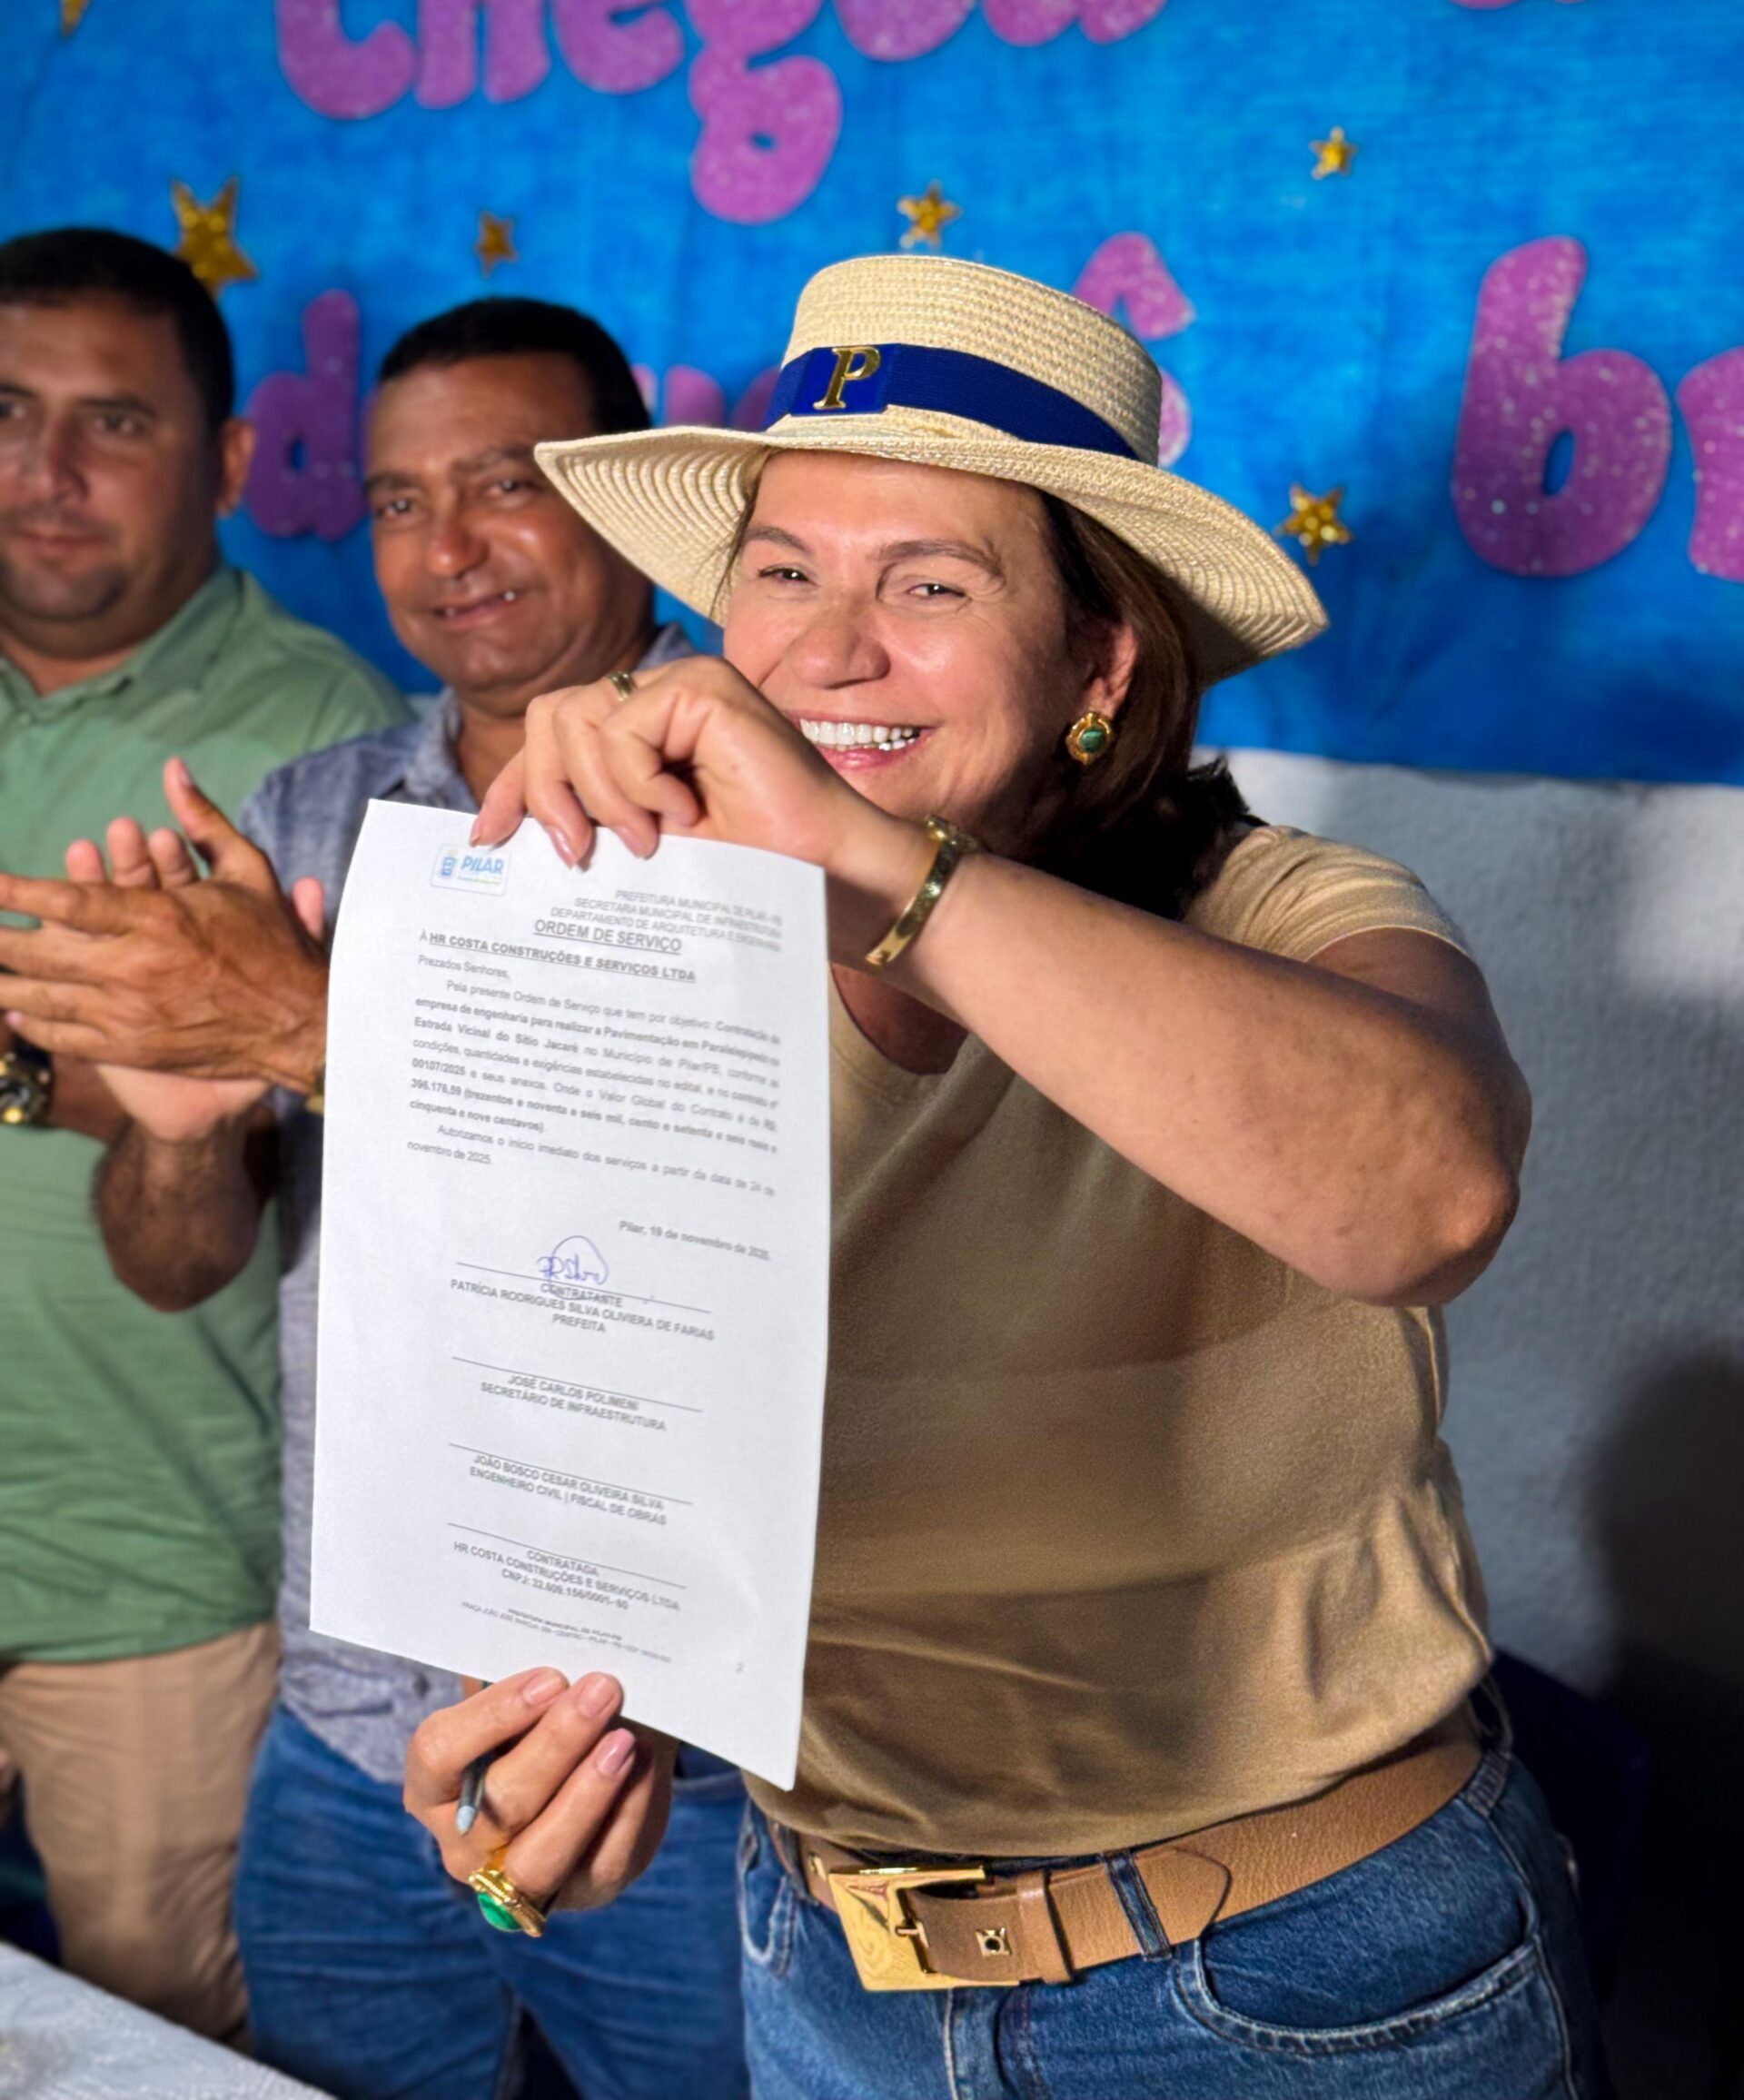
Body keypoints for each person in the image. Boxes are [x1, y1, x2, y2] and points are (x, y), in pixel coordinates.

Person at [394, 254, 1610, 2098]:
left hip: (1308, 1984)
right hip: (829, 1966)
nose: (828, 650)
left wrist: (877, 864)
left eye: (931, 584)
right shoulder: (643, 956)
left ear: (1100, 664)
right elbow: (618, 1451)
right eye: (782, 573)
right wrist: (566, 1765)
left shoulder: (1279, 914)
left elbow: (1429, 1197)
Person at [0, 299, 747, 2100]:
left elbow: (652, 1240)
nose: (447, 549)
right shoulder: (313, 809)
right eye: (401, 501)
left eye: (505, 485)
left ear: (626, 501)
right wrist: (184, 1127)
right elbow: (181, 1264)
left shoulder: (759, 803)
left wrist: (300, 1022)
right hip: (346, 1738)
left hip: (676, 1759)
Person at [0, 225, 406, 2039]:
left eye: (114, 421)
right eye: (3, 413)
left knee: (164, 2047)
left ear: (229, 460)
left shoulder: (318, 738)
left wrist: (44, 1065)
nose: (45, 471)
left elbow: (326, 1097)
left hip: (154, 1564)